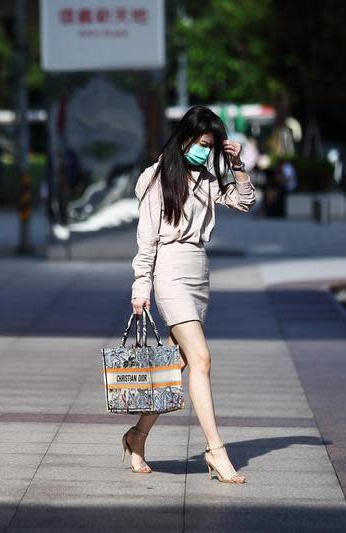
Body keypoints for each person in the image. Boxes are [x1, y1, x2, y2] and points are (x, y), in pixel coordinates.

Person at [128, 106, 256, 483]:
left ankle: (137, 437)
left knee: (176, 366)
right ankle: (216, 451)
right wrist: (141, 285)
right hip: (168, 271)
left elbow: (245, 202)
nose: (205, 151)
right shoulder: (154, 178)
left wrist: (238, 165)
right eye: (202, 144)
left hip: (198, 272)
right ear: (185, 138)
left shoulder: (209, 178)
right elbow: (146, 239)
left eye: (212, 145)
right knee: (201, 359)